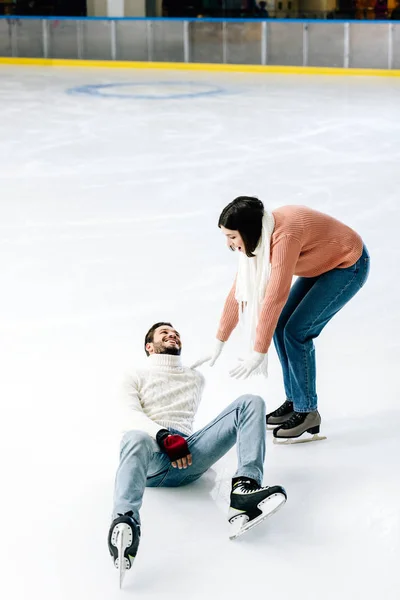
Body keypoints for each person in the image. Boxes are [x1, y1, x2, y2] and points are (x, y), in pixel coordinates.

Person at [108, 322, 286, 582]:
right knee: (134, 436)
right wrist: (163, 436)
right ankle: (125, 522)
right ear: (149, 347)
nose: (172, 335)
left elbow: (175, 383)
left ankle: (243, 492)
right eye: (164, 333)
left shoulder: (194, 378)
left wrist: (177, 439)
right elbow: (128, 415)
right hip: (149, 457)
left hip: (186, 458)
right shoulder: (134, 374)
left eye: (176, 334)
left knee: (251, 402)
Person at [194, 198, 369, 443]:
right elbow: (239, 293)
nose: (230, 245)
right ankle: (295, 400)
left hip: (348, 265)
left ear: (248, 230)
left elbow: (275, 297)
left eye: (232, 237)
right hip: (321, 264)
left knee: (297, 331)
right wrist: (218, 341)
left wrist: (258, 352)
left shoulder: (283, 238)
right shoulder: (260, 239)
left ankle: (307, 411)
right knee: (281, 327)